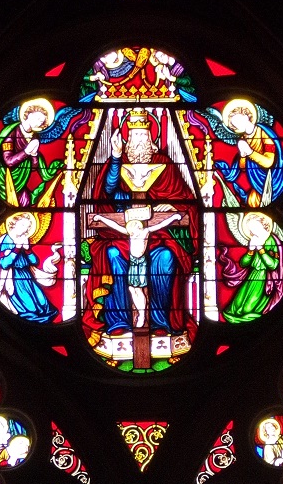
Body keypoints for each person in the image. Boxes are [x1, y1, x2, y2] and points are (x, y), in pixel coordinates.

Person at [83, 107, 197, 348]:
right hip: (121, 236)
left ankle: (160, 322)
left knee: (166, 258)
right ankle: (118, 322)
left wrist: (169, 206)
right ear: (126, 140)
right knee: (111, 254)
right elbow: (108, 191)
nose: (140, 140)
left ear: (152, 139)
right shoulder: (117, 163)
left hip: (159, 238)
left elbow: (184, 201)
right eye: (134, 136)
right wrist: (115, 157)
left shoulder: (165, 165)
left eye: (144, 135)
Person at [90, 205, 185, 329]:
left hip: (141, 264)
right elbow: (114, 225)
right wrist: (100, 218)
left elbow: (160, 225)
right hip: (133, 264)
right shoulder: (130, 233)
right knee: (132, 289)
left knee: (139, 290)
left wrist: (174, 217)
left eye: (133, 225)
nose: (131, 228)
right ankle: (139, 313)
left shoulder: (145, 232)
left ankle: (142, 314)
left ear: (138, 225)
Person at [209, 99, 283, 208]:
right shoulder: (243, 139)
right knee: (252, 203)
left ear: (247, 115)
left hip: (275, 180)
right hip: (257, 182)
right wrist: (242, 156)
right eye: (234, 124)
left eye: (238, 120)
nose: (238, 125)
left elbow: (269, 162)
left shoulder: (263, 133)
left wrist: (249, 152)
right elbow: (243, 167)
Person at [0, 212, 59, 322]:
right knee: (29, 307)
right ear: (14, 223)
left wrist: (27, 249)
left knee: (43, 304)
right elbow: (4, 264)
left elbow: (34, 262)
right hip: (14, 278)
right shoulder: (6, 240)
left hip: (27, 276)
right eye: (23, 225)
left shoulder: (24, 239)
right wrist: (17, 248)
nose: (25, 230)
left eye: (28, 227)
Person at [220, 211, 283, 322]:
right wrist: (250, 250)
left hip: (264, 279)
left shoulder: (271, 241)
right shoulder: (254, 239)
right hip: (252, 275)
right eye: (251, 229)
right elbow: (243, 264)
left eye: (254, 227)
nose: (252, 231)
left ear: (263, 224)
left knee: (247, 308)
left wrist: (261, 249)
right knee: (235, 307)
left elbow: (273, 265)